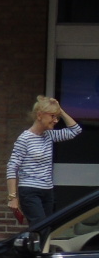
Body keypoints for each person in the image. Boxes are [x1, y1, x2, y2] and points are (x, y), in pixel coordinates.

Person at [6, 95, 81, 227]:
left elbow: (75, 130)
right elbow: (12, 167)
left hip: (48, 191)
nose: (56, 120)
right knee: (40, 227)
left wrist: (60, 110)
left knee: (47, 229)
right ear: (40, 115)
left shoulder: (49, 135)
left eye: (56, 117)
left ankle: (38, 248)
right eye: (52, 116)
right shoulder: (25, 139)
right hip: (30, 191)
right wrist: (13, 197)